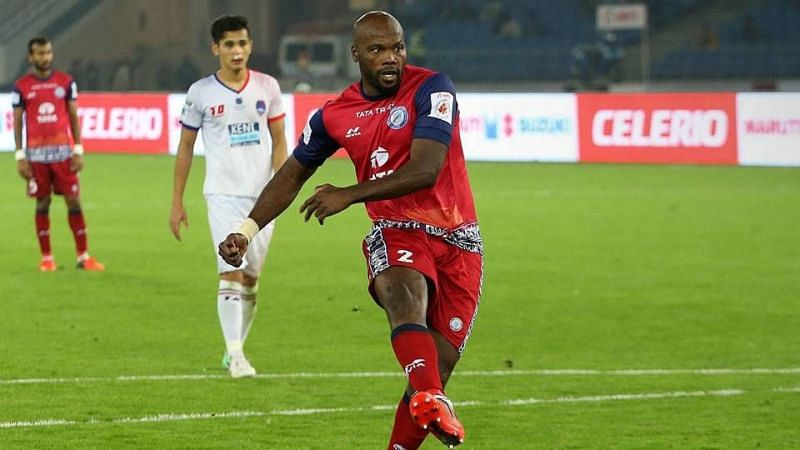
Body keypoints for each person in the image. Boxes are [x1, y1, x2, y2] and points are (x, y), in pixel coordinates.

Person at [218, 11, 482, 448]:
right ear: (356, 54)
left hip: (460, 240)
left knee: (436, 365)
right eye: (377, 50)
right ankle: (432, 395)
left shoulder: (433, 88)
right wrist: (246, 230)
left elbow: (427, 168)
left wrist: (349, 193)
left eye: (397, 47)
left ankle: (423, 403)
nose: (390, 58)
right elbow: (291, 175)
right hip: (397, 228)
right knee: (404, 292)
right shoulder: (334, 115)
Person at [170, 15, 288, 379]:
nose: (237, 51)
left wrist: (282, 188)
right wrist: (177, 201)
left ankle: (233, 347)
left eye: (242, 43)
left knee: (251, 279)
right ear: (216, 48)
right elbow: (186, 146)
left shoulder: (267, 87)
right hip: (221, 194)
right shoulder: (201, 92)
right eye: (229, 44)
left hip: (261, 198)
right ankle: (237, 356)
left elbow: (280, 140)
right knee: (231, 271)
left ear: (250, 46)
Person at [12, 36, 105, 272]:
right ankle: (47, 258)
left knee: (74, 201)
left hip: (64, 155)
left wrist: (78, 150)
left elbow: (73, 116)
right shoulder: (21, 86)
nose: (45, 57)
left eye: (48, 52)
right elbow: (17, 121)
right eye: (40, 53)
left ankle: (83, 256)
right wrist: (20, 156)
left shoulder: (65, 82)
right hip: (36, 158)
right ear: (31, 57)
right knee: (42, 203)